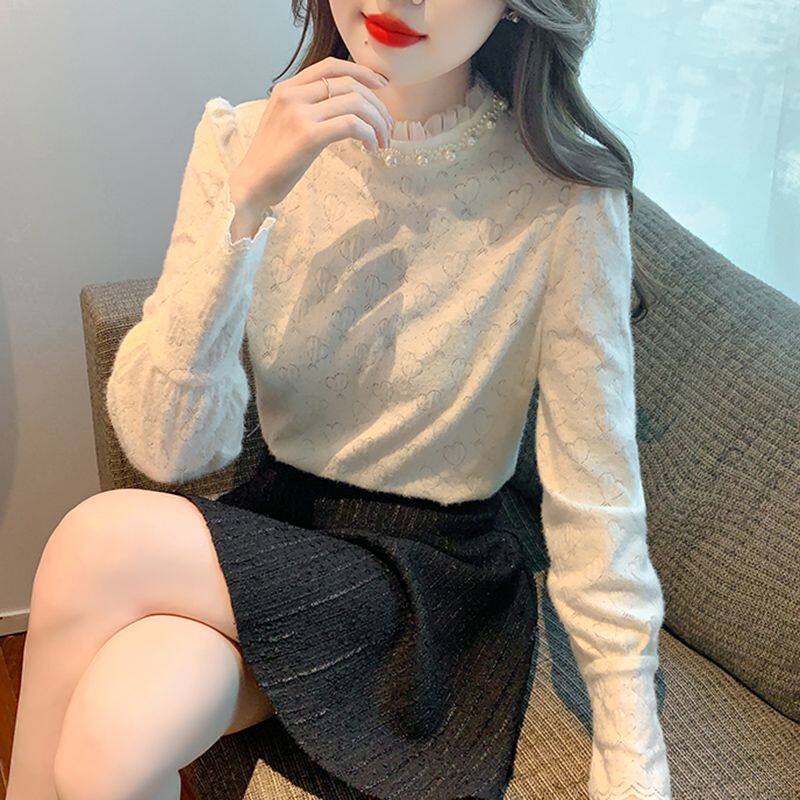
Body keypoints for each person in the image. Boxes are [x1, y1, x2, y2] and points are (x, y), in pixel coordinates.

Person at [7, 1, 673, 799]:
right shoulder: (241, 143)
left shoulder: (562, 198)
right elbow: (168, 449)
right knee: (109, 739)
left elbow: (597, 496)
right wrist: (247, 204)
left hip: (426, 582)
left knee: (95, 539)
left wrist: (632, 757)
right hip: (280, 536)